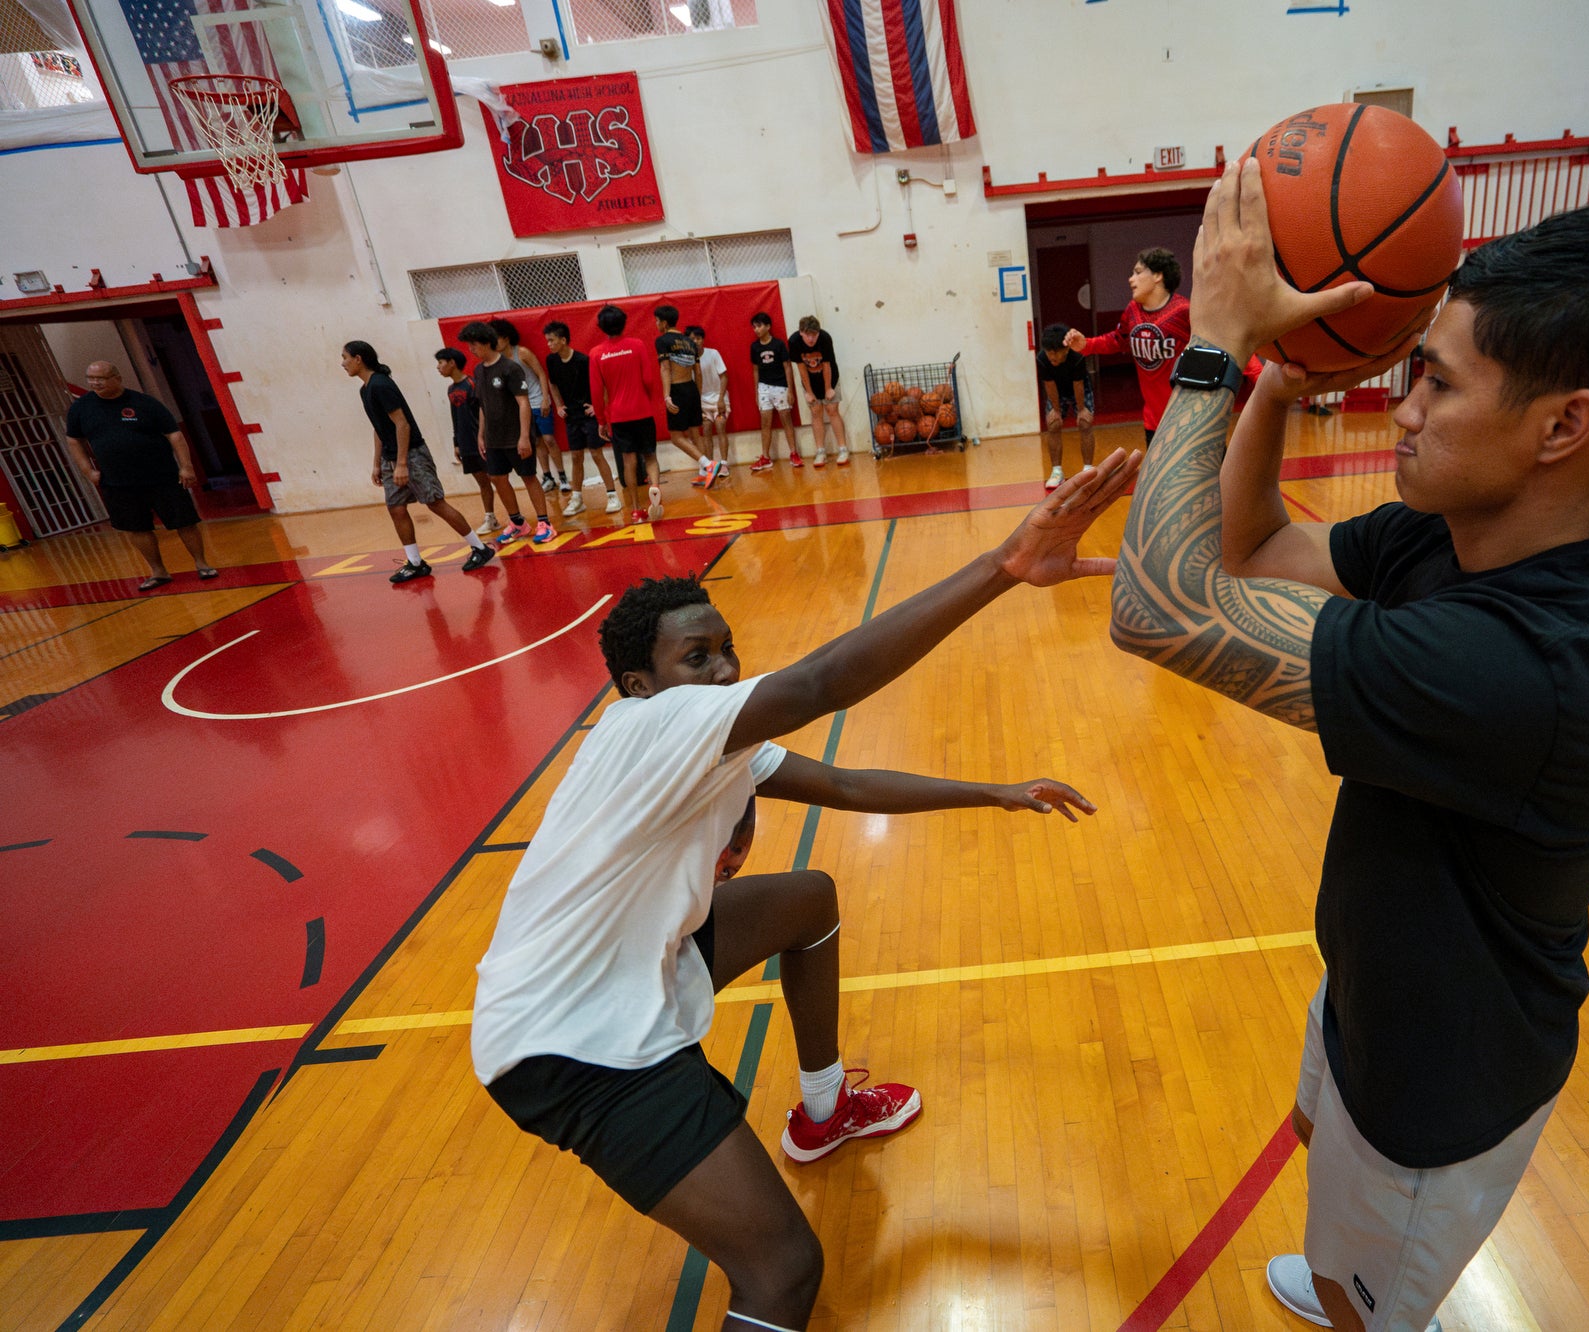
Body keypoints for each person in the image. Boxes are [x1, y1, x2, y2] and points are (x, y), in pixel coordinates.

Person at [1108, 163, 1589, 1331]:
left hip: (1438, 1078)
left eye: (1434, 385)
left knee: (1365, 1309)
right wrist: (1275, 383)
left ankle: (1366, 1296)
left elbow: (1158, 606)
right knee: (1315, 1137)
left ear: (1561, 426)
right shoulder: (1465, 531)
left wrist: (1209, 344)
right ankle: (1348, 1259)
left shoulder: (1530, 668)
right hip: (1378, 990)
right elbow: (1250, 550)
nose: (1399, 408)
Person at [471, 449, 1142, 1332]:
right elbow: (823, 682)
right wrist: (1002, 567)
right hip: (570, 1042)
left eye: (725, 650)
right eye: (694, 657)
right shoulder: (652, 729)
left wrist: (994, 791)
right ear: (640, 685)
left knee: (809, 897)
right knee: (785, 1270)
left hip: (631, 966)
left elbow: (852, 787)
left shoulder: (715, 735)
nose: (720, 671)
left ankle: (824, 1111)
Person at [341, 342, 494, 583]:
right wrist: (377, 463)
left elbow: (402, 424)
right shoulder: (365, 389)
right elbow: (379, 427)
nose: (343, 363)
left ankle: (480, 548)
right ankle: (415, 563)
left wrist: (402, 463)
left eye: (345, 358)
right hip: (391, 457)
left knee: (435, 503)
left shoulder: (381, 385)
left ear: (359, 359)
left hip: (411, 454)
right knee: (396, 508)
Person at [62, 360, 218, 591]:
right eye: (90, 378)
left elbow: (174, 435)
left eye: (101, 378)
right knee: (136, 528)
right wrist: (88, 471)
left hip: (161, 476)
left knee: (185, 522)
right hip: (117, 482)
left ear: (117, 377)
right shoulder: (80, 408)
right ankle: (158, 572)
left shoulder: (145, 403)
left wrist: (186, 467)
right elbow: (74, 440)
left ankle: (202, 564)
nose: (95, 383)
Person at [1065, 246, 1187, 445]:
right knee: (1156, 477)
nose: (1131, 279)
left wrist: (1255, 375)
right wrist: (1086, 344)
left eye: (1138, 273)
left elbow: (1219, 345)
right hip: (1154, 423)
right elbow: (1118, 340)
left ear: (1157, 275)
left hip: (1188, 420)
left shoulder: (1183, 312)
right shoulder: (1133, 311)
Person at [462, 322, 555, 544]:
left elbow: (523, 403)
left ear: (486, 343)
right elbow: (483, 405)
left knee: (529, 477)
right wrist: (481, 435)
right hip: (494, 439)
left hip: (516, 435)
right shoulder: (478, 370)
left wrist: (524, 436)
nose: (471, 350)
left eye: (473, 345)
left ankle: (545, 524)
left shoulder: (510, 367)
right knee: (496, 477)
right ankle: (518, 523)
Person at [590, 304, 669, 521]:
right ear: (624, 323)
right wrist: (647, 399)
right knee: (650, 456)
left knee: (628, 462)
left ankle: (635, 508)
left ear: (601, 327)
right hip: (642, 410)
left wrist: (601, 420)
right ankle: (654, 489)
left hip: (618, 415)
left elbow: (596, 392)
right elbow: (649, 380)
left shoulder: (596, 354)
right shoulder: (637, 345)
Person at [543, 320, 621, 519]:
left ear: (563, 340)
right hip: (571, 416)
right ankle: (577, 499)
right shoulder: (551, 361)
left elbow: (602, 385)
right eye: (547, 341)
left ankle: (612, 496)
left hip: (588, 415)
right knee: (576, 457)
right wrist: (559, 405)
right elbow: (553, 385)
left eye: (552, 340)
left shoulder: (583, 361)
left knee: (596, 454)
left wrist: (597, 407)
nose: (549, 344)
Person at [493, 318, 565, 502]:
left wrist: (545, 399)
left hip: (537, 401)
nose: (495, 342)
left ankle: (563, 476)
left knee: (549, 440)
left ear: (506, 338)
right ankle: (548, 476)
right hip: (521, 408)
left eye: (497, 338)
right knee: (537, 442)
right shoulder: (498, 360)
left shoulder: (522, 353)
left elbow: (541, 373)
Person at [435, 348, 503, 536]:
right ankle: (491, 517)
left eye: (441, 362)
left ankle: (515, 517)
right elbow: (455, 417)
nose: (438, 367)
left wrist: (485, 438)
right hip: (466, 444)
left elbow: (485, 413)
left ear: (452, 363)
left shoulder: (473, 384)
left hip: (483, 442)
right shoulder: (451, 389)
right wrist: (456, 442)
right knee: (482, 482)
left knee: (497, 479)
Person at [655, 304, 719, 487]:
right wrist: (697, 395)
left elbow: (665, 368)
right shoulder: (690, 342)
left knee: (676, 437)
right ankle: (702, 473)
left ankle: (708, 465)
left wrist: (667, 396)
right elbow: (697, 372)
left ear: (665, 323)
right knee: (694, 433)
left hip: (677, 390)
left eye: (657, 321)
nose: (656, 324)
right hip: (692, 389)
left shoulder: (662, 341)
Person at [1035, 322, 1095, 491]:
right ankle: (1056, 472)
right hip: (1057, 391)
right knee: (1053, 424)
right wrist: (1056, 410)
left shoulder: (1077, 357)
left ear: (1066, 350)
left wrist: (1082, 409)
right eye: (1049, 352)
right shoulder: (1042, 359)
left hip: (1079, 389)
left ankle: (1088, 469)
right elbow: (1049, 385)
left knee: (1085, 423)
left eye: (1056, 353)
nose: (1052, 357)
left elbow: (1078, 385)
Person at [787, 315, 849, 467]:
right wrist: (809, 392)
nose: (811, 338)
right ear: (801, 332)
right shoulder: (794, 341)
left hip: (829, 377)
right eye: (808, 335)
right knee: (816, 411)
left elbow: (827, 365)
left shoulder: (825, 338)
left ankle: (843, 449)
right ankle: (820, 451)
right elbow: (801, 368)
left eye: (814, 334)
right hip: (810, 380)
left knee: (832, 409)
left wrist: (828, 388)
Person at [747, 312, 801, 472]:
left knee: (786, 419)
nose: (756, 329)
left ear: (768, 326)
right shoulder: (754, 347)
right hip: (763, 387)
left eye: (759, 326)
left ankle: (794, 453)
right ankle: (765, 457)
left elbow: (787, 367)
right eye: (754, 327)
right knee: (765, 422)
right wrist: (756, 391)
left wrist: (790, 390)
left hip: (780, 386)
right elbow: (755, 369)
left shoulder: (778, 344)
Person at [690, 325, 731, 464]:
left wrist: (721, 399)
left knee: (720, 426)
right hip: (702, 402)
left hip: (718, 397)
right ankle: (710, 465)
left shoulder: (713, 353)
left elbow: (724, 376)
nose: (695, 341)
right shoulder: (688, 360)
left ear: (703, 339)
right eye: (692, 339)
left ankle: (724, 463)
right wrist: (697, 405)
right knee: (706, 429)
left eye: (698, 338)